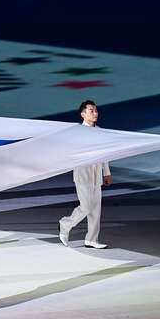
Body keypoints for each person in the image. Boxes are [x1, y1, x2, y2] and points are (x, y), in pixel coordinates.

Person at [58, 100, 111, 249]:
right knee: (86, 207)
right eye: (91, 111)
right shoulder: (77, 133)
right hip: (83, 175)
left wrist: (106, 173)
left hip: (96, 176)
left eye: (96, 110)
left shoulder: (100, 131)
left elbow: (106, 154)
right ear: (83, 114)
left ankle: (92, 239)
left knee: (96, 210)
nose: (95, 113)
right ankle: (65, 225)